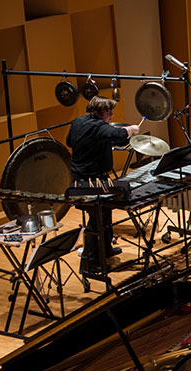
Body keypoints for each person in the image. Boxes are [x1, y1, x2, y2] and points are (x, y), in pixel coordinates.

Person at [66, 96, 139, 273]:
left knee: (105, 212)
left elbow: (69, 141)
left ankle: (105, 250)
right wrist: (132, 129)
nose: (112, 115)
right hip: (89, 182)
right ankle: (90, 264)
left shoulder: (78, 122)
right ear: (99, 112)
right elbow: (120, 134)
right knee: (96, 220)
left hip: (85, 178)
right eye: (109, 111)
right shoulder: (97, 126)